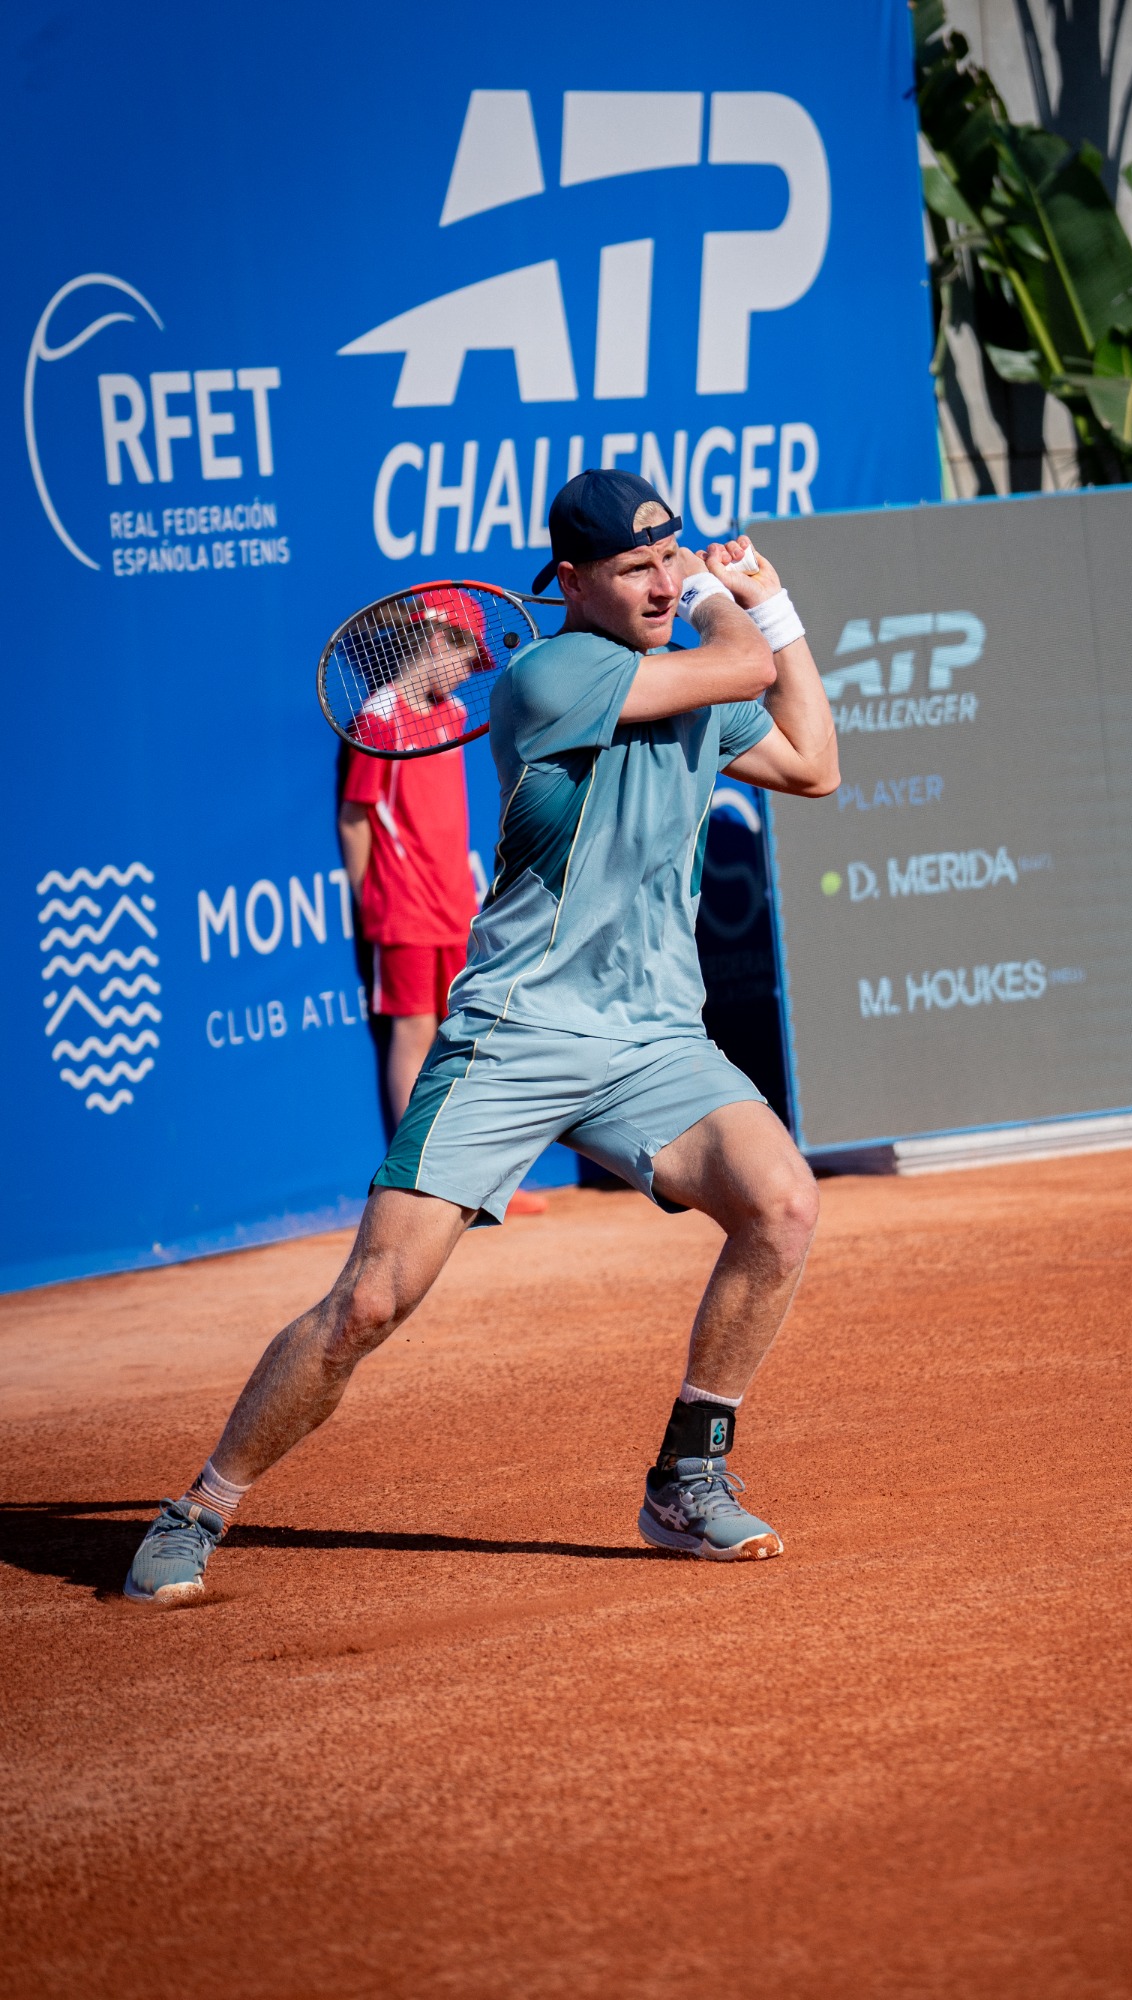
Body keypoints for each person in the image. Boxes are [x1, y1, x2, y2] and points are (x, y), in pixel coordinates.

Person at [125, 467, 839, 1604]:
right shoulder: (551, 674)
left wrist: (781, 610)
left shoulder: (694, 680)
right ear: (570, 583)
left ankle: (686, 1477)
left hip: (655, 1037)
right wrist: (728, 596)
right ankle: (198, 1507)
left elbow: (814, 764)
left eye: (671, 556)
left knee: (784, 1203)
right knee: (370, 1300)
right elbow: (743, 664)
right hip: (520, 1028)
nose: (664, 582)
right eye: (637, 567)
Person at [338, 587, 484, 1122]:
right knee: (415, 1030)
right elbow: (355, 818)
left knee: (458, 1031)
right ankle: (411, 1166)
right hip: (404, 910)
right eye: (467, 658)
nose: (468, 673)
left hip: (456, 903)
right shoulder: (378, 718)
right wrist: (371, 900)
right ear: (439, 639)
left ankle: (457, 1158)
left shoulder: (457, 713)